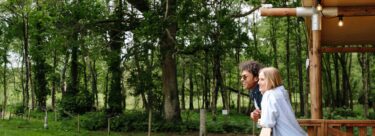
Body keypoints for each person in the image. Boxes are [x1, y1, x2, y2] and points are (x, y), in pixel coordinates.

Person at [257, 67, 306, 136]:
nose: (258, 82)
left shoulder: (269, 95)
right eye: (259, 79)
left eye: (262, 79)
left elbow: (267, 122)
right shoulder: (281, 93)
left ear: (271, 80)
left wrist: (261, 121)